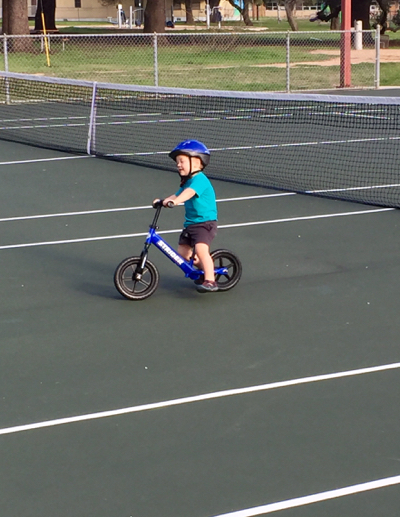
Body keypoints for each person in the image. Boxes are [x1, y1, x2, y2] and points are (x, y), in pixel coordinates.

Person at [154, 140, 218, 293]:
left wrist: (175, 202)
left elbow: (188, 193)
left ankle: (210, 280)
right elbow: (178, 194)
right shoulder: (187, 181)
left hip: (204, 223)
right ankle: (203, 271)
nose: (178, 165)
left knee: (201, 250)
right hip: (191, 224)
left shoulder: (200, 180)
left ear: (196, 162)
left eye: (182, 161)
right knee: (183, 252)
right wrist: (163, 201)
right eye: (177, 162)